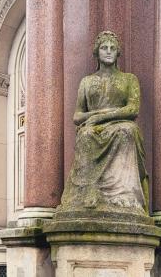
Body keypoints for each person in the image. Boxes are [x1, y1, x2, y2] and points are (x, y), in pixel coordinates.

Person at [60, 31, 148, 215]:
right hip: (92, 127)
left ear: (118, 53)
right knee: (85, 134)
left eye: (112, 48)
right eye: (104, 48)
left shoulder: (129, 79)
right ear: (96, 52)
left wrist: (103, 116)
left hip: (120, 124)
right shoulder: (87, 81)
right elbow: (77, 116)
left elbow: (133, 110)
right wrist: (98, 114)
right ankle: (87, 191)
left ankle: (123, 195)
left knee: (127, 130)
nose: (108, 51)